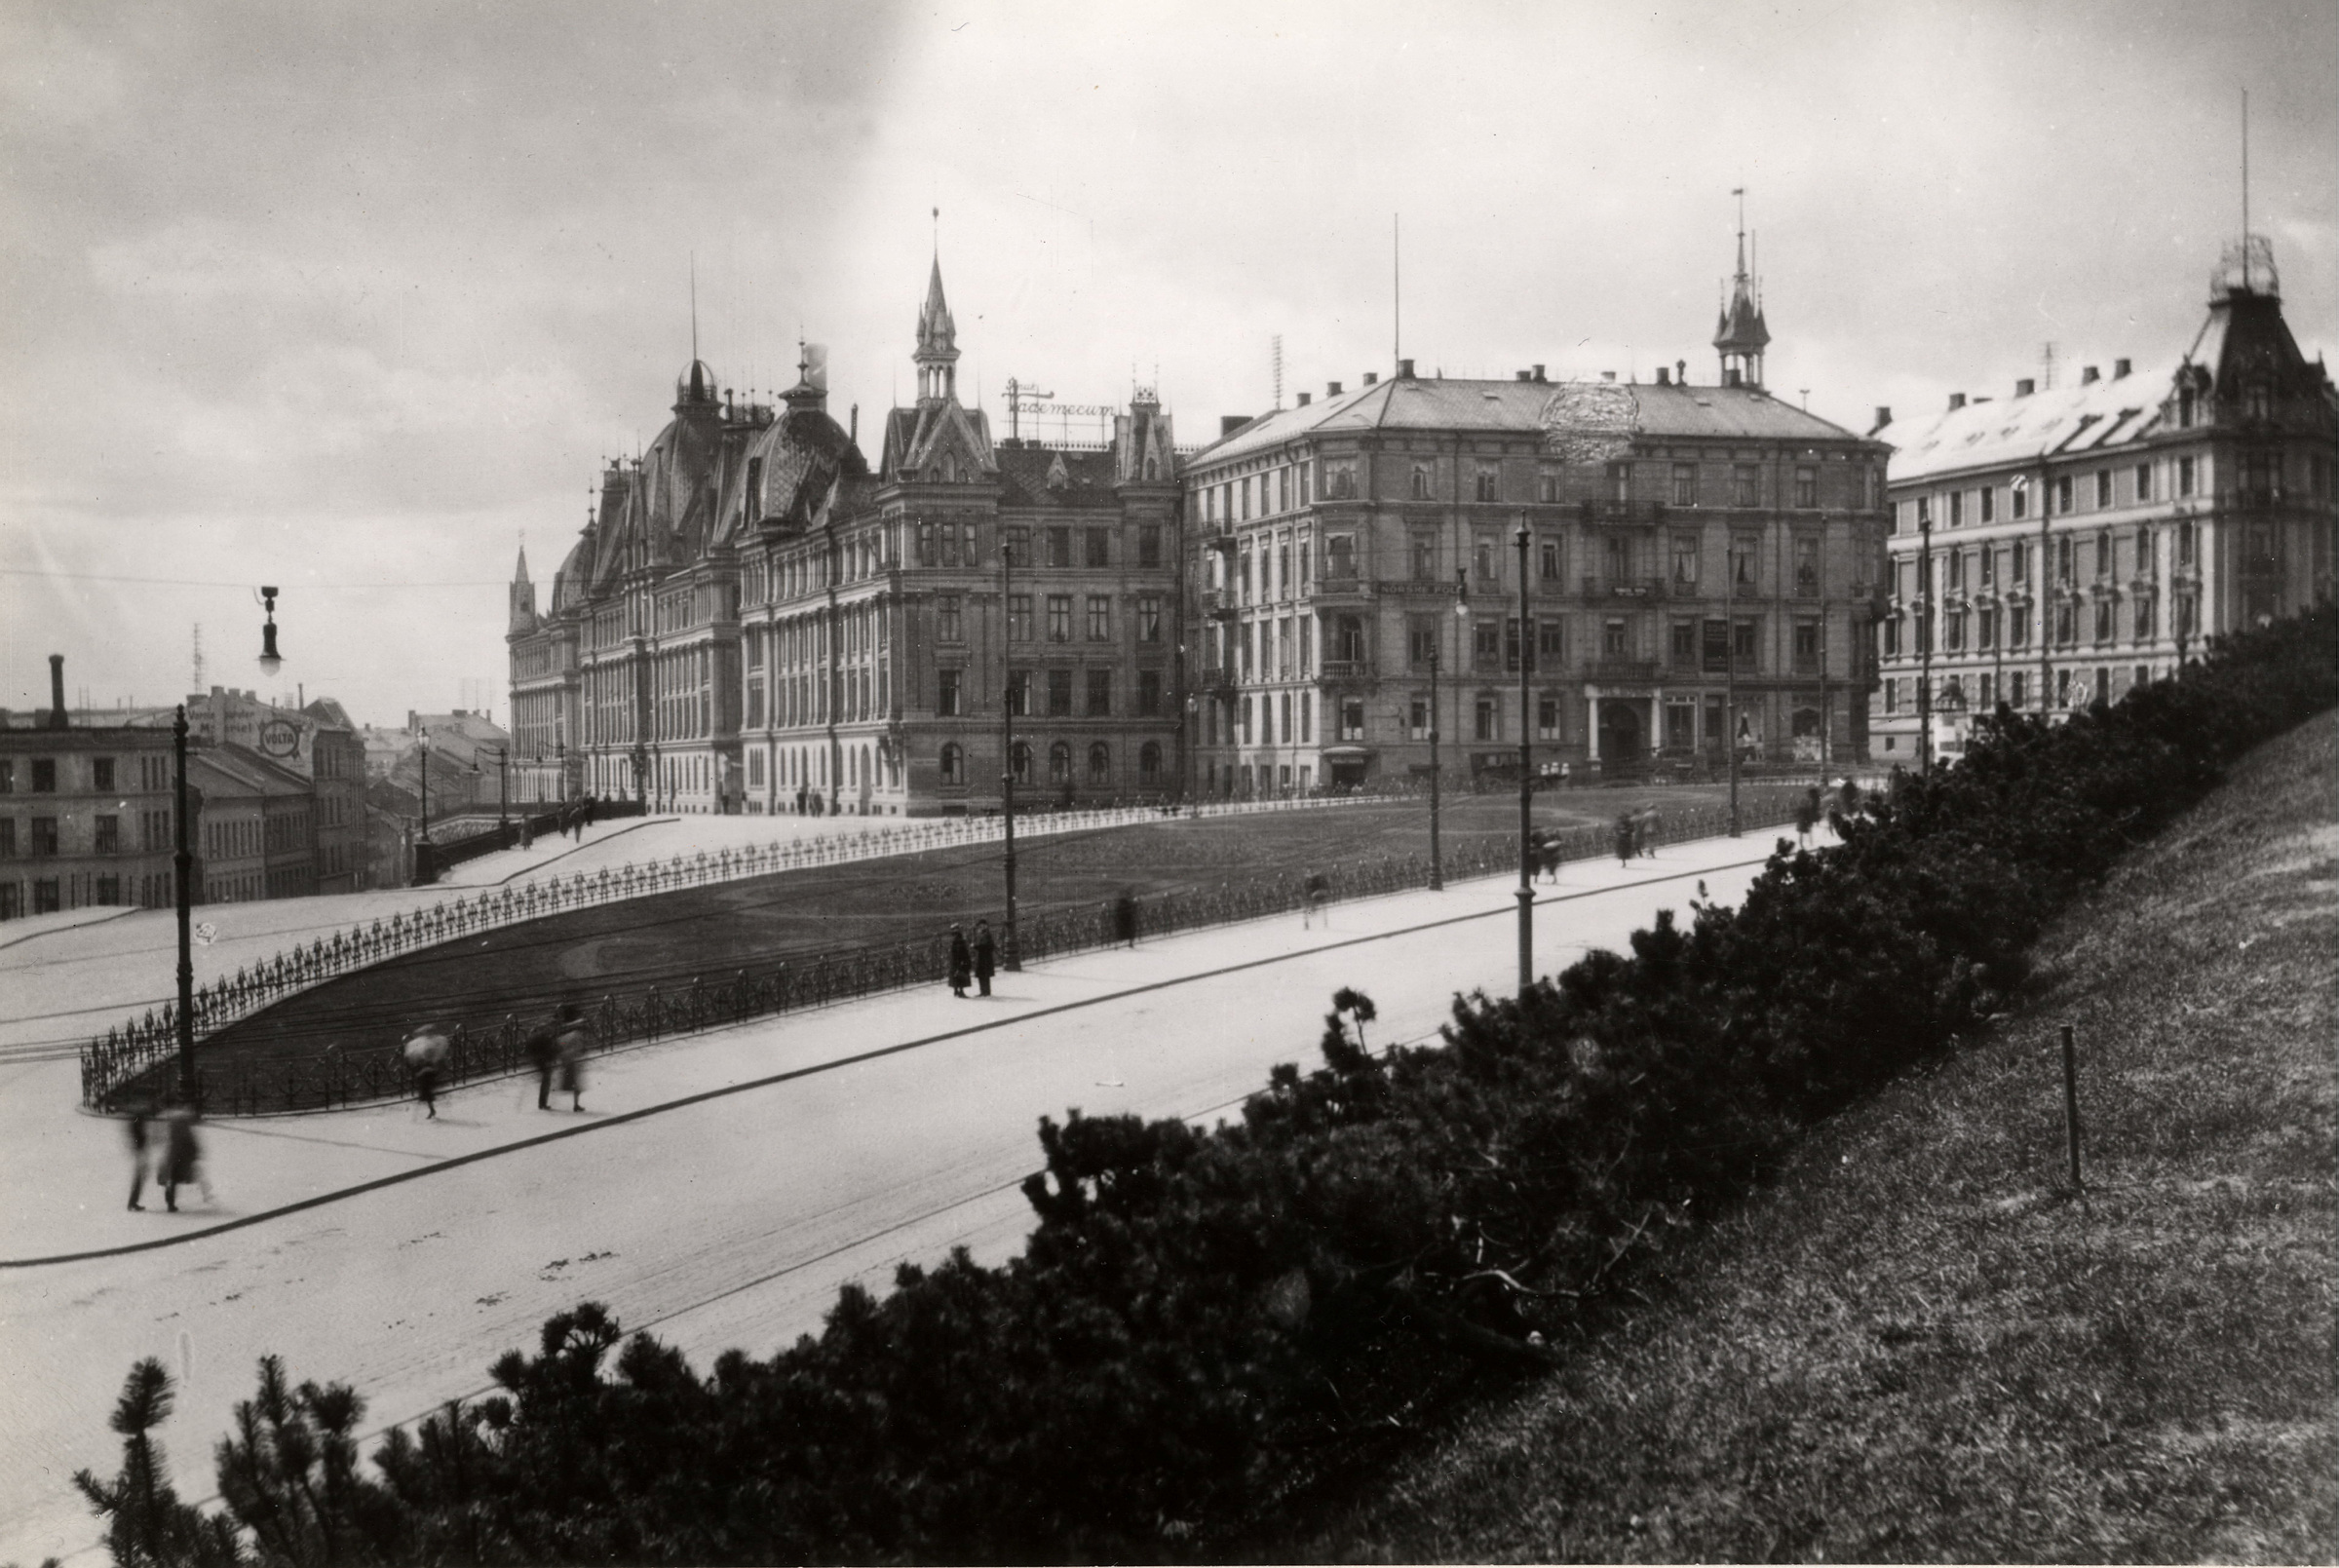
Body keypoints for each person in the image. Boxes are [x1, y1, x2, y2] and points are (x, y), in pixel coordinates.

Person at [160, 1095, 211, 1212]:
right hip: (183, 1152)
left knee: (172, 1176)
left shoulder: (172, 1119)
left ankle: (170, 1201)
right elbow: (188, 1137)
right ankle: (206, 1194)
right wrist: (195, 1149)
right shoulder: (182, 1120)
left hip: (173, 1151)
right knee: (191, 1172)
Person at [403, 1022, 451, 1120]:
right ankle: (431, 1109)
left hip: (428, 1073)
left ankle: (429, 1110)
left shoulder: (430, 1045)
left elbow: (431, 1064)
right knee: (425, 1092)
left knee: (425, 1091)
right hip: (428, 1072)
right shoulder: (431, 1044)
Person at [555, 1003, 588, 1112]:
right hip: (573, 1060)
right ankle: (576, 1104)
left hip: (570, 1059)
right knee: (576, 1084)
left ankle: (576, 1104)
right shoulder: (575, 1033)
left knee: (574, 1084)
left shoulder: (567, 1030)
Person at [124, 1097, 155, 1211]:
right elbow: (139, 1136)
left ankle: (133, 1201)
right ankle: (132, 1202)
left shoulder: (137, 1119)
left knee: (140, 1175)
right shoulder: (138, 1119)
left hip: (140, 1150)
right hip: (140, 1151)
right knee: (140, 1175)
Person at [525, 1014, 558, 1110]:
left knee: (545, 1082)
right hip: (544, 1061)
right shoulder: (545, 1037)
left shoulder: (537, 1035)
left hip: (539, 1060)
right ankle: (542, 1103)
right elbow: (549, 1049)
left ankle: (542, 1103)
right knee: (546, 1082)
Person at [972, 920, 997, 997]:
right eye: (980, 926)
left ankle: (985, 991)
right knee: (982, 975)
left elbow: (985, 945)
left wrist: (975, 946)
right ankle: (984, 991)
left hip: (985, 958)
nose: (981, 927)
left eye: (982, 926)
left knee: (984, 975)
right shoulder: (982, 934)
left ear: (985, 926)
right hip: (982, 957)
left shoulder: (986, 934)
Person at [946, 924, 973, 998]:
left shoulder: (954, 938)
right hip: (960, 960)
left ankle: (956, 991)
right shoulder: (959, 939)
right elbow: (961, 951)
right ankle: (961, 991)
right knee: (961, 975)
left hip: (954, 961)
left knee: (955, 975)